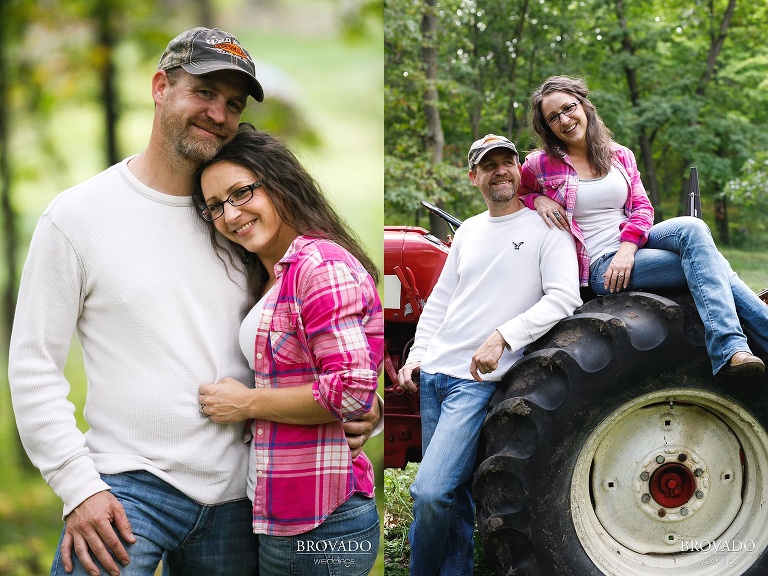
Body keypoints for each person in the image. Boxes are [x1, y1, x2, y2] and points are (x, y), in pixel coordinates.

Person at [8, 27, 379, 576]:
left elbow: (322, 334)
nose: (219, 114)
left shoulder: (245, 222)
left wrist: (357, 405)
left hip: (243, 497)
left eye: (232, 103)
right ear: (160, 87)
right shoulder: (77, 218)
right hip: (129, 486)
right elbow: (34, 364)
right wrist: (77, 486)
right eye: (203, 93)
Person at [191, 124, 382, 575]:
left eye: (241, 193)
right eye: (215, 206)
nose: (231, 215)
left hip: (323, 523)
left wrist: (246, 404)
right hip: (281, 513)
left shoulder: (319, 266)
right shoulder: (274, 274)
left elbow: (352, 389)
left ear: (277, 181)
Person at [396, 134, 582, 575]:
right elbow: (441, 300)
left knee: (430, 491)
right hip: (435, 376)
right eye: (490, 164)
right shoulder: (470, 231)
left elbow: (563, 297)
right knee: (453, 494)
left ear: (519, 169)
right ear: (474, 176)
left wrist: (503, 336)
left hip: (473, 382)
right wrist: (417, 354)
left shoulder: (548, 228)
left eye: (508, 162)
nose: (501, 170)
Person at [520, 74, 768, 377]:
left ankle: (733, 347)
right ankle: (733, 347)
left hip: (634, 245)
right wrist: (538, 200)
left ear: (584, 106)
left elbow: (641, 207)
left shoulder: (619, 155)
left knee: (693, 227)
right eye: (553, 117)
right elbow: (517, 193)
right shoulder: (539, 164)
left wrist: (628, 247)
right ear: (547, 128)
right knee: (710, 265)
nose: (564, 119)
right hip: (602, 266)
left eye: (568, 108)